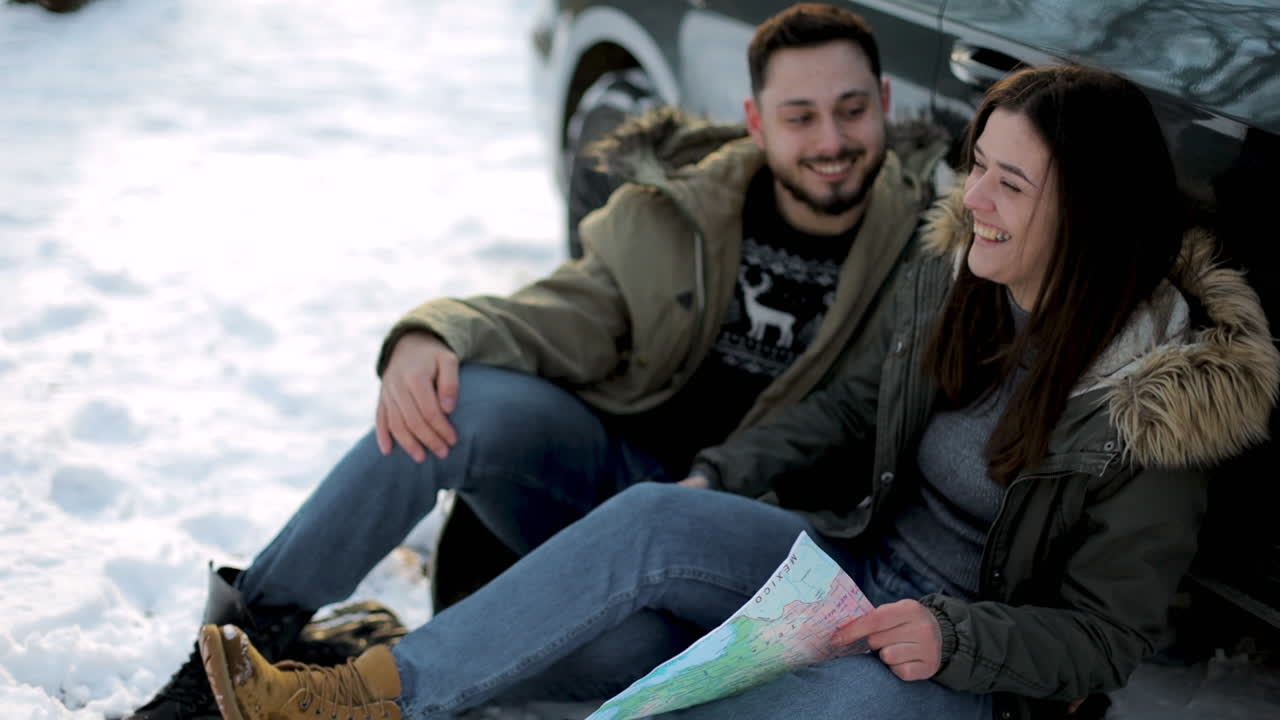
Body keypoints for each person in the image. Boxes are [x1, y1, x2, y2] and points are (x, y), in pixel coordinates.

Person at [194, 63, 1280, 720]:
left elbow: (1103, 638)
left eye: (1008, 181)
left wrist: (955, 639)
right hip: (845, 572)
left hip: (954, 667)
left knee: (681, 693)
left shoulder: (1157, 396)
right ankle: (354, 697)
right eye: (974, 163)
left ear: (1084, 211)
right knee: (647, 535)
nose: (971, 196)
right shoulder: (956, 281)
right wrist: (724, 474)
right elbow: (853, 412)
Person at [127, 4, 950, 718]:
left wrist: (711, 481)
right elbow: (571, 309)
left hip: (737, 544)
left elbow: (843, 415)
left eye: (850, 111)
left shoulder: (925, 256)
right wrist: (433, 333)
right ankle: (242, 638)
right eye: (801, 116)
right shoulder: (687, 212)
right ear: (756, 119)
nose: (832, 141)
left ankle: (352, 681)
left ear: (883, 104)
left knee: (611, 649)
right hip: (609, 484)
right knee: (461, 399)